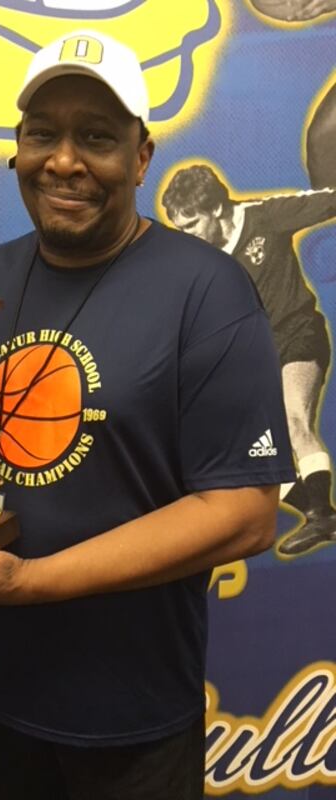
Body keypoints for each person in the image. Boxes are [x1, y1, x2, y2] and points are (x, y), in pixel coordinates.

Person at [0, 31, 294, 800]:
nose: (64, 160)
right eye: (43, 133)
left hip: (135, 711)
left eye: (96, 136)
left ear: (141, 156)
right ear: (18, 148)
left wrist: (29, 582)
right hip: (12, 689)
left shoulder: (207, 291)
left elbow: (246, 513)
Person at [161, 164, 336, 557]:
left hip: (299, 335)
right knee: (245, 449)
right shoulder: (196, 259)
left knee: (293, 420)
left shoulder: (265, 218)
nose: (186, 235)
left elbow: (327, 203)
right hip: (253, 357)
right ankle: (318, 512)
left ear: (217, 211)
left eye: (192, 224)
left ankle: (322, 513)